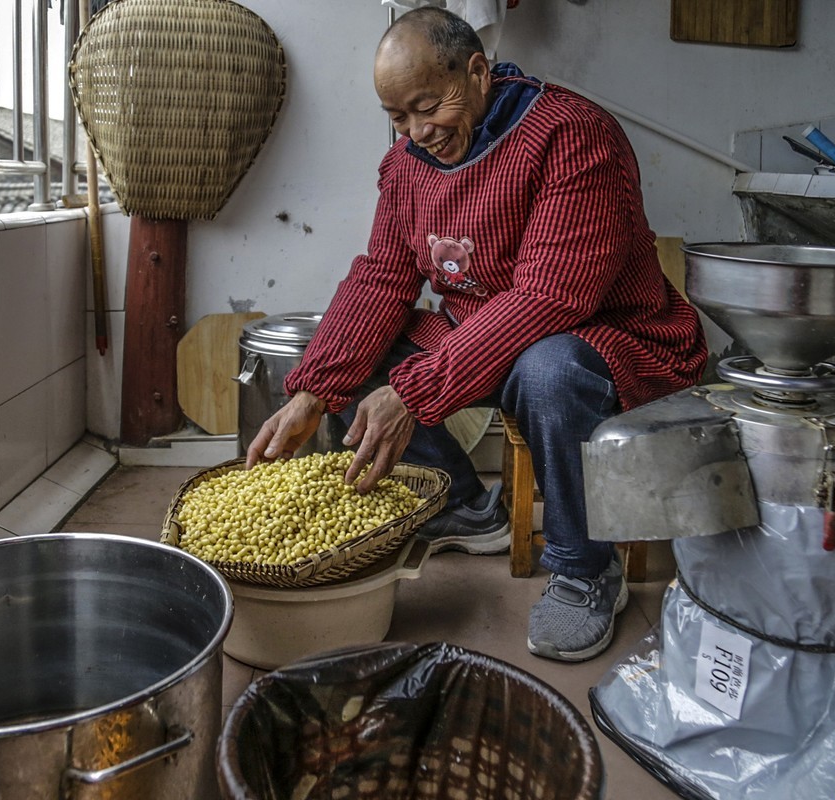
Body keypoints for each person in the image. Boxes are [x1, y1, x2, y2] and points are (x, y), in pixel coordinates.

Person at [246, 7, 707, 662]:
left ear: (478, 71)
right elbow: (382, 278)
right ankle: (463, 509)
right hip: (486, 331)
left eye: (427, 106)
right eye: (397, 117)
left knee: (549, 369)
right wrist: (313, 394)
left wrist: (417, 392)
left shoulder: (572, 137)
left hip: (605, 337)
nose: (415, 132)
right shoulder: (407, 166)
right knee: (353, 354)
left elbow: (551, 297)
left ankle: (584, 568)